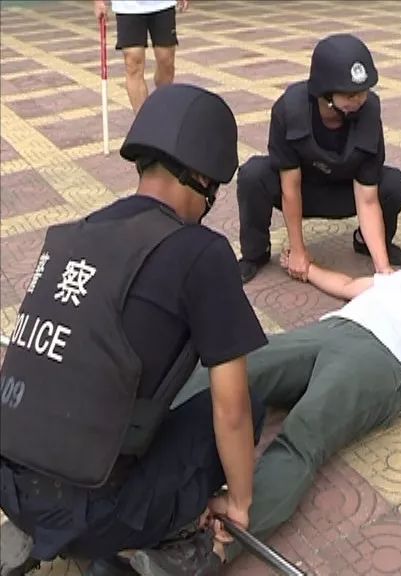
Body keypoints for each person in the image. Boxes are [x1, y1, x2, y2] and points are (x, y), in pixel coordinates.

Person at [0, 84, 267, 576]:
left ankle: (39, 527)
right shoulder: (202, 252)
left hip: (8, 482)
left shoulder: (72, 234)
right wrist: (241, 504)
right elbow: (232, 410)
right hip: (93, 511)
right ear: (205, 178)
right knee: (250, 402)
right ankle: (143, 552)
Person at [184, 212, 401, 558]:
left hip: (385, 356)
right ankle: (138, 433)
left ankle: (215, 546)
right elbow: (345, 286)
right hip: (331, 330)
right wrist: (307, 269)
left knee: (304, 432)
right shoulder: (399, 275)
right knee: (235, 367)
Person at [236, 33, 401, 284]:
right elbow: (290, 188)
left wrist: (383, 270)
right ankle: (255, 253)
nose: (360, 100)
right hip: (302, 192)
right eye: (350, 95)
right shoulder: (289, 110)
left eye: (363, 92)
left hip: (344, 191)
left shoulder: (369, 111)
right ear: (325, 93)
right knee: (253, 175)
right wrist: (298, 251)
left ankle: (367, 242)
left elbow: (368, 199)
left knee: (395, 185)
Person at [93, 0, 190, 113]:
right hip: (127, 7)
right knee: (133, 63)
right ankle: (143, 121)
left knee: (166, 61)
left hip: (162, 5)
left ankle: (163, 105)